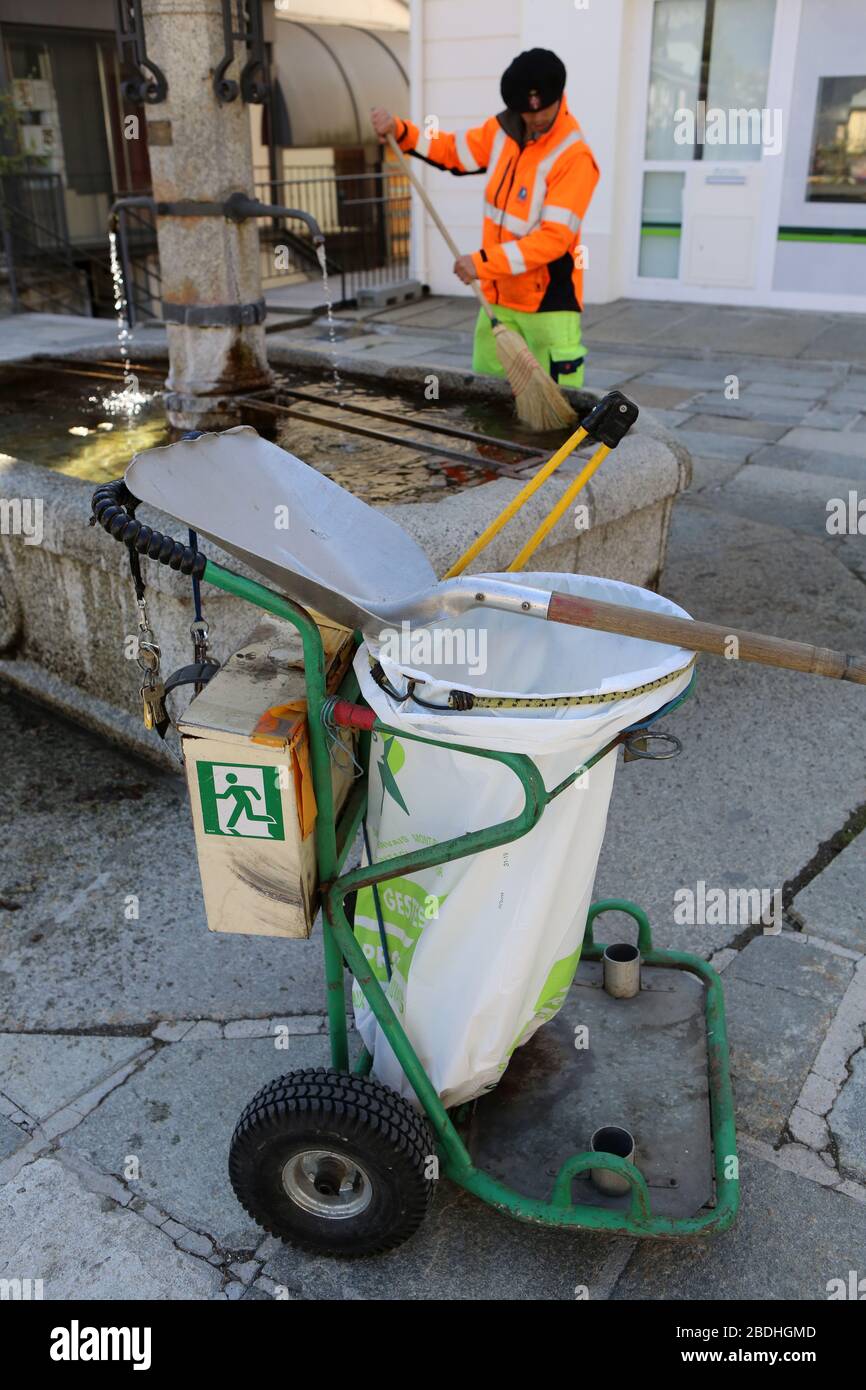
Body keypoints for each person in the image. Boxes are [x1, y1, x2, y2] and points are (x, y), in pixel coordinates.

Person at [371, 48, 599, 390]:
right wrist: (401, 131)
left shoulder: (574, 156)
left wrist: (482, 263)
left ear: (559, 97)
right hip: (496, 299)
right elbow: (450, 149)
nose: (535, 119)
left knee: (557, 413)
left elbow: (554, 239)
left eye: (544, 110)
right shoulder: (500, 131)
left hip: (548, 307)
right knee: (487, 402)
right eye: (525, 112)